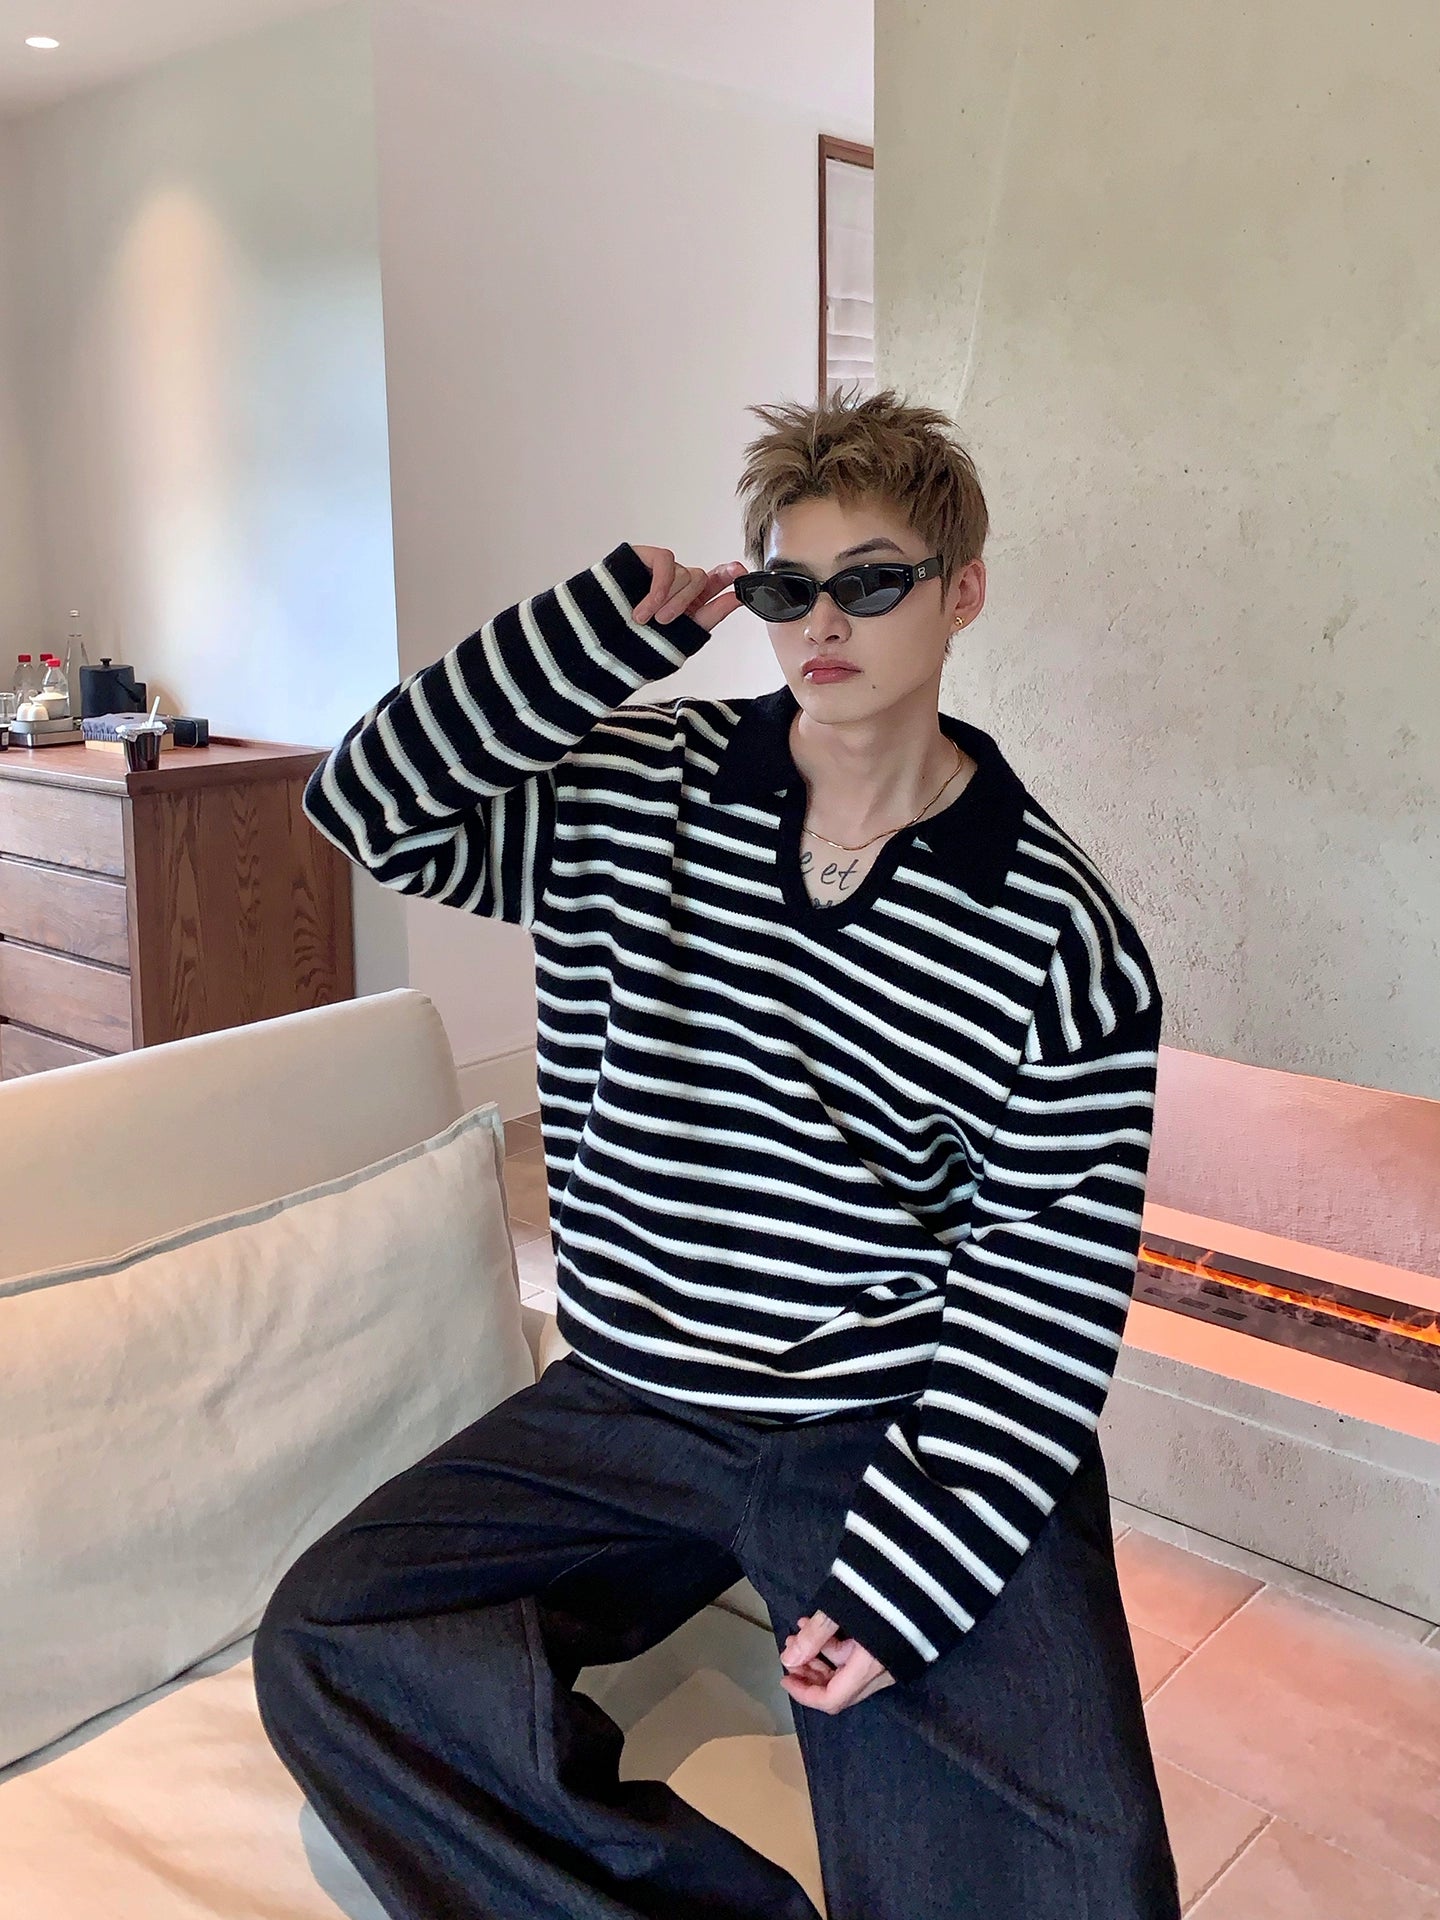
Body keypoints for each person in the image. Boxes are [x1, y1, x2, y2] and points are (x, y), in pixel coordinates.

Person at [253, 386, 1182, 1920]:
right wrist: (590, 634)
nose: (824, 622)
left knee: (1071, 1876)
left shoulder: (1058, 931)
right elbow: (368, 806)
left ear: (962, 592)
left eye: (871, 581)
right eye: (787, 586)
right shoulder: (635, 791)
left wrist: (913, 1572)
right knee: (336, 1642)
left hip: (882, 1412)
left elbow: (1046, 1292)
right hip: (628, 1401)